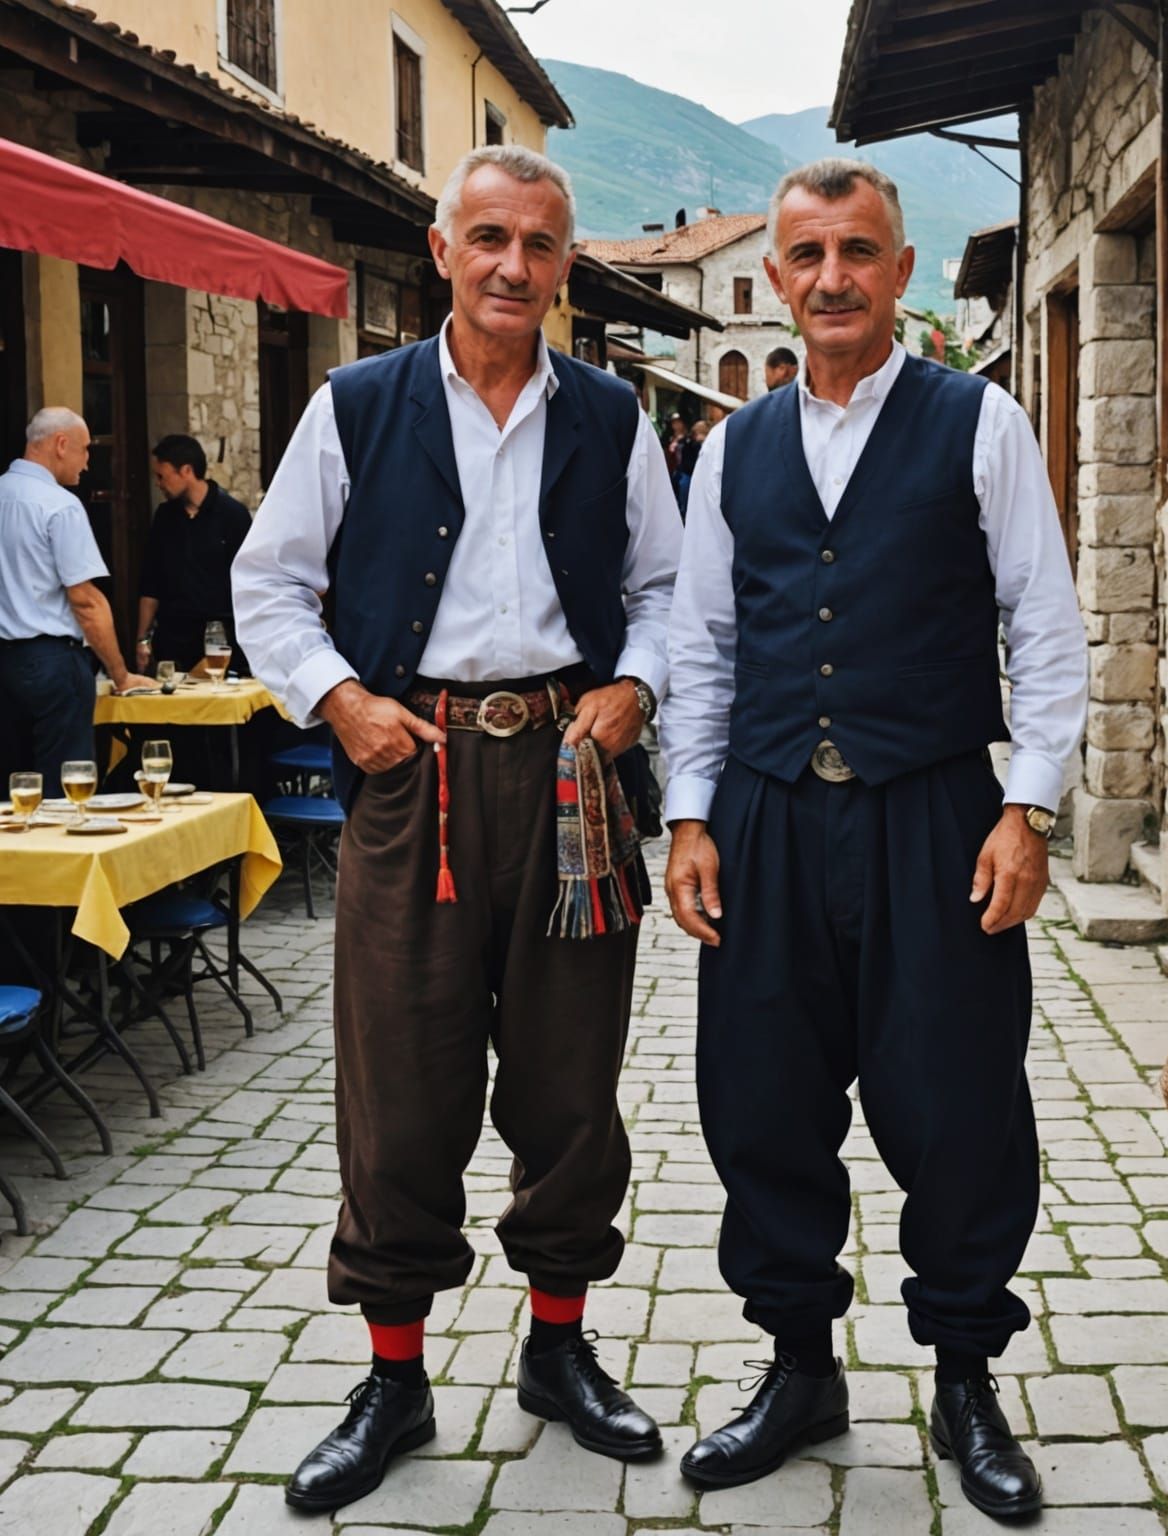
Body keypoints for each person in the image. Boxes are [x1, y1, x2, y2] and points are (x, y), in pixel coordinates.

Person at [232, 143, 681, 1514]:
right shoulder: (357, 406)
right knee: (401, 1090)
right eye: (488, 237)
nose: (513, 266)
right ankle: (394, 1378)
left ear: (562, 263)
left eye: (539, 244)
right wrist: (344, 704)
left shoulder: (608, 419)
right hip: (408, 781)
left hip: (571, 778)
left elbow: (669, 592)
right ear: (442, 251)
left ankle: (558, 1353)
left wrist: (631, 684)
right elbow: (272, 589)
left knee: (566, 1081)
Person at [661, 160, 1088, 1519]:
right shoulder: (734, 446)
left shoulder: (979, 422)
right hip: (771, 811)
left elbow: (1047, 626)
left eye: (858, 251)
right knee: (761, 1097)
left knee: (956, 1097)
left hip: (935, 811)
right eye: (806, 254)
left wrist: (1031, 808)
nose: (831, 277)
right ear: (777, 278)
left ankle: (966, 1372)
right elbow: (705, 647)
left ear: (900, 273)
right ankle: (799, 1367)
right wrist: (689, 813)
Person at [0, 409, 154, 795]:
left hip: (5, 661)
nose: (88, 462)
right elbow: (85, 600)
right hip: (52, 663)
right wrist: (120, 674)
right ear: (61, 444)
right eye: (85, 450)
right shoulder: (59, 504)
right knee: (64, 789)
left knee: (10, 789)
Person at [136, 434, 251, 673]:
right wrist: (142, 640)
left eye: (162, 476)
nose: (158, 483)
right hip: (173, 639)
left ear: (186, 471)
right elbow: (151, 583)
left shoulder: (233, 515)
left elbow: (249, 581)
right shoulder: (164, 517)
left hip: (220, 640)